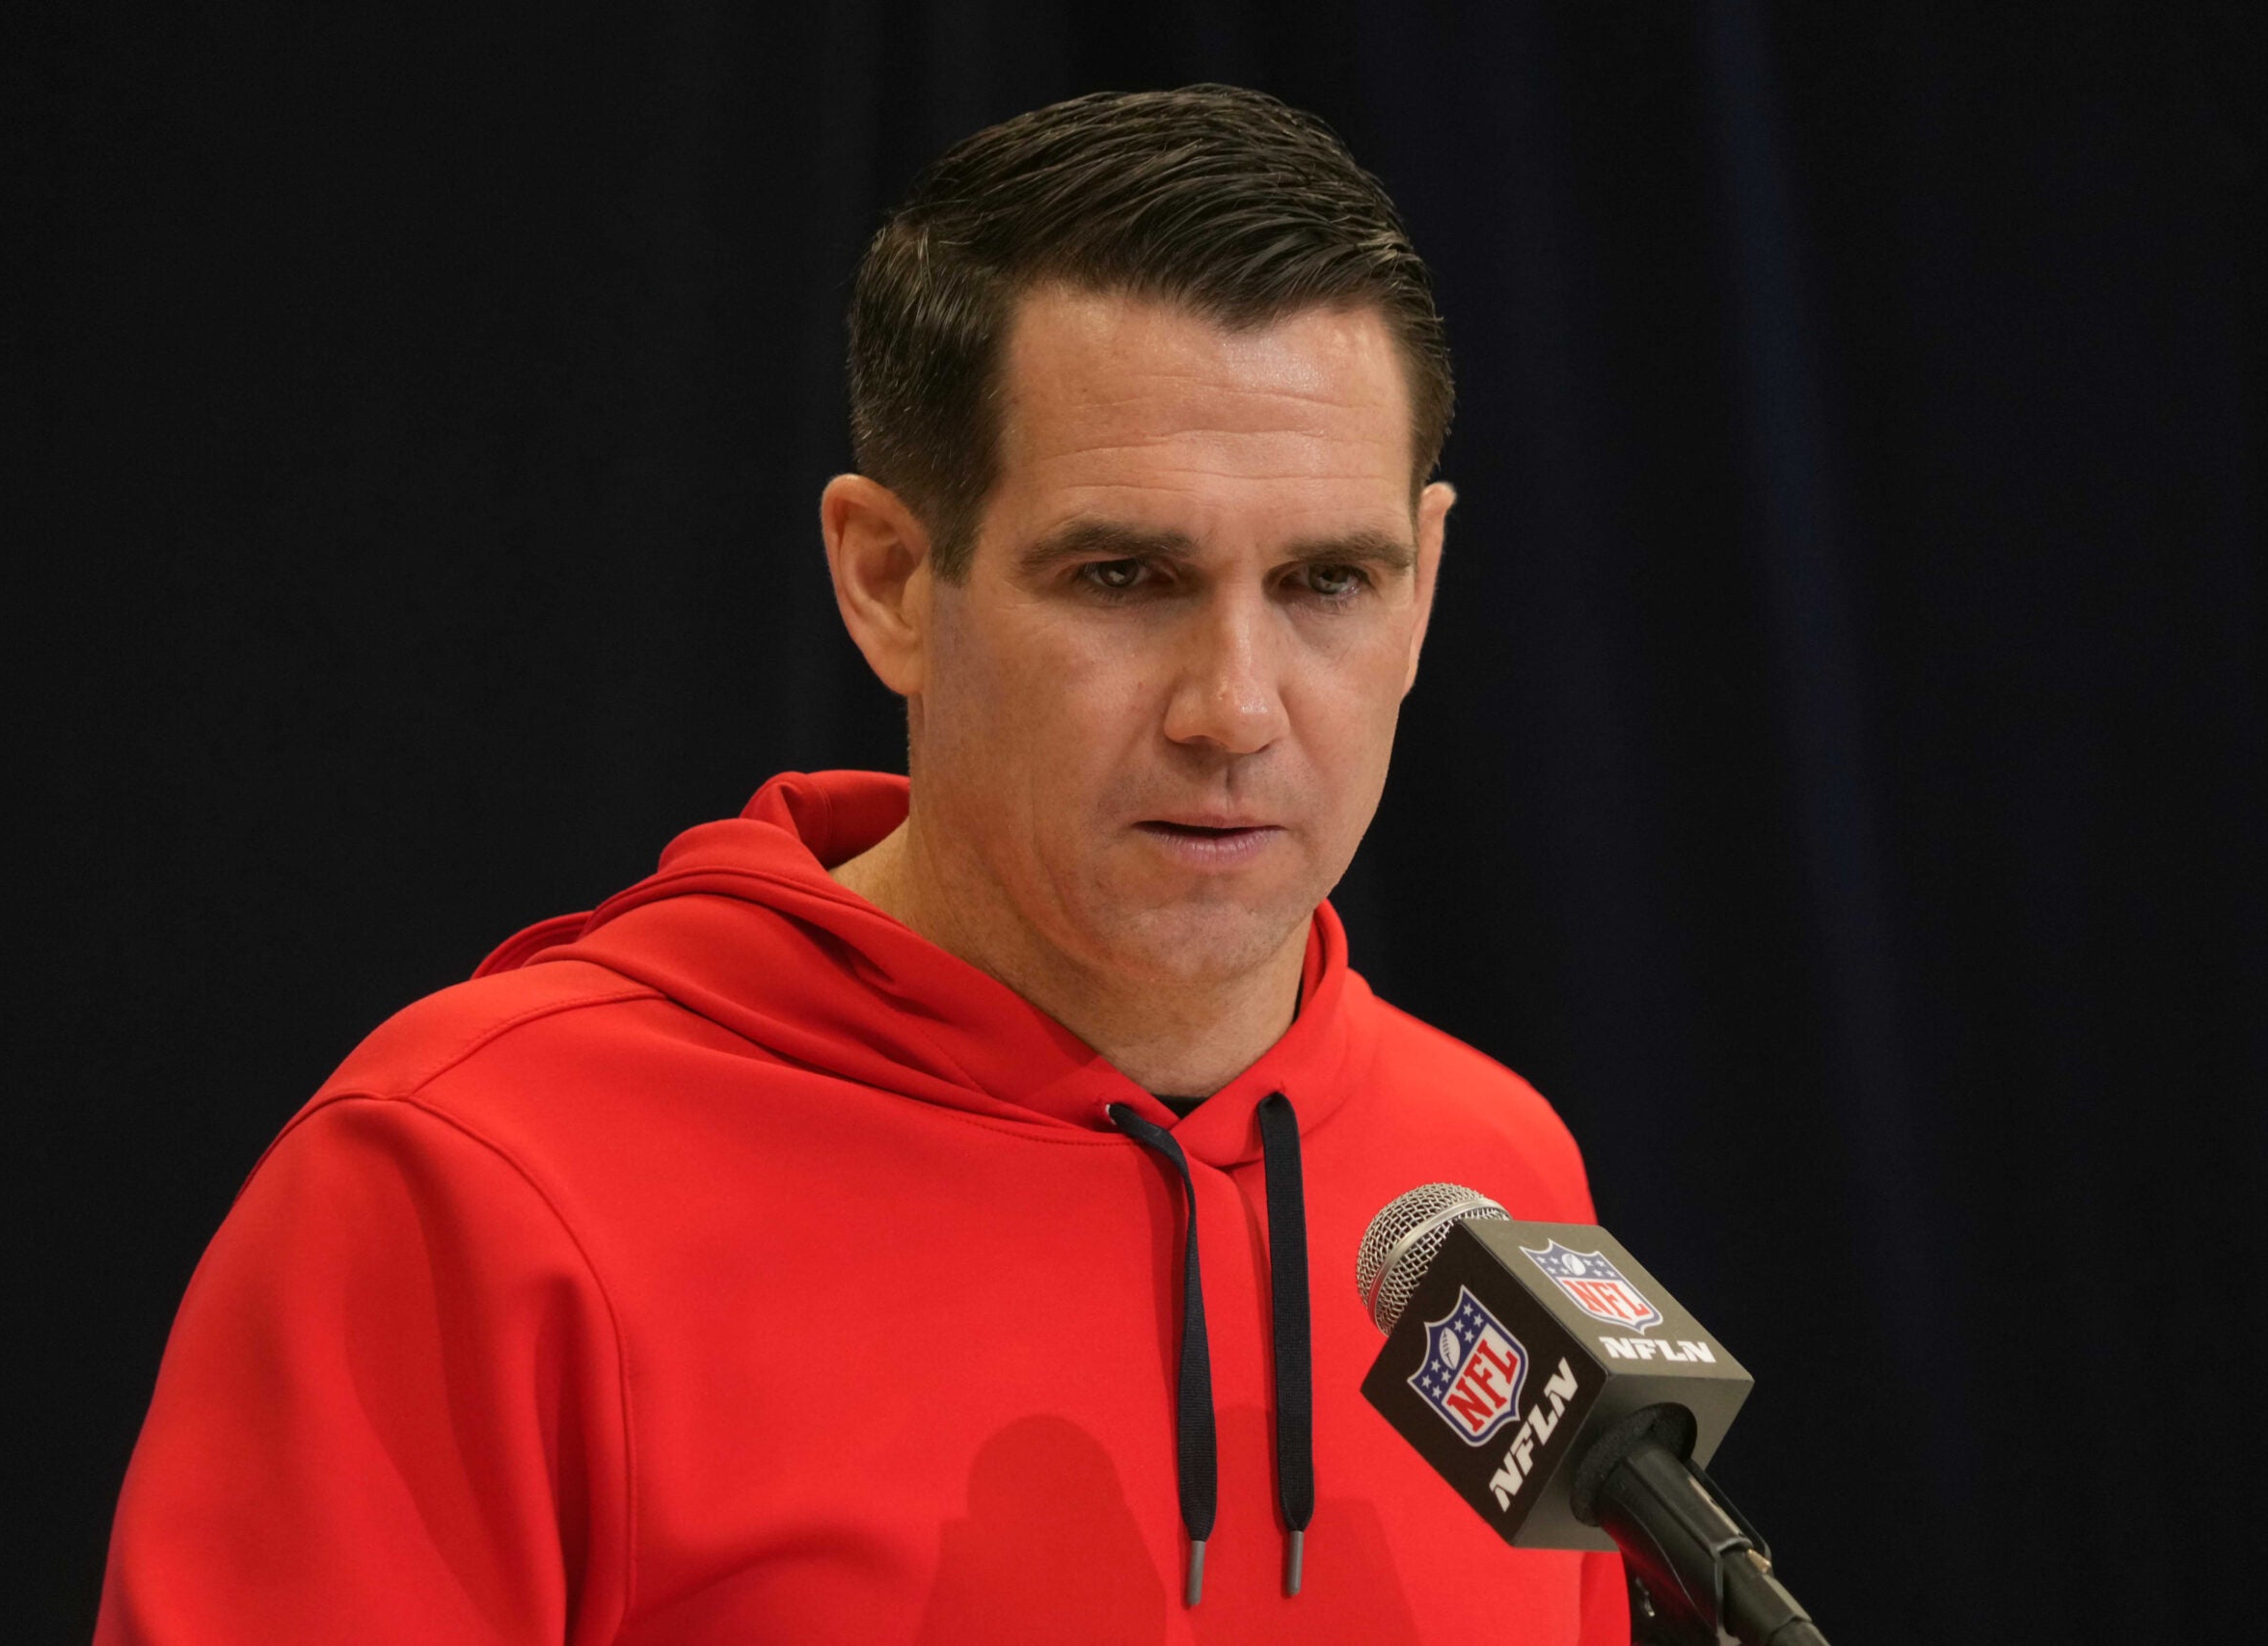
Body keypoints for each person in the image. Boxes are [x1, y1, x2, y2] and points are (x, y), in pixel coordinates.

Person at [97, 86, 1630, 1644]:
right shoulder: (472, 1188)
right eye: (1122, 577)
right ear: (890, 579)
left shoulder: (1482, 1183)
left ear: (1425, 586)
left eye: (1327, 582)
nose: (1234, 708)